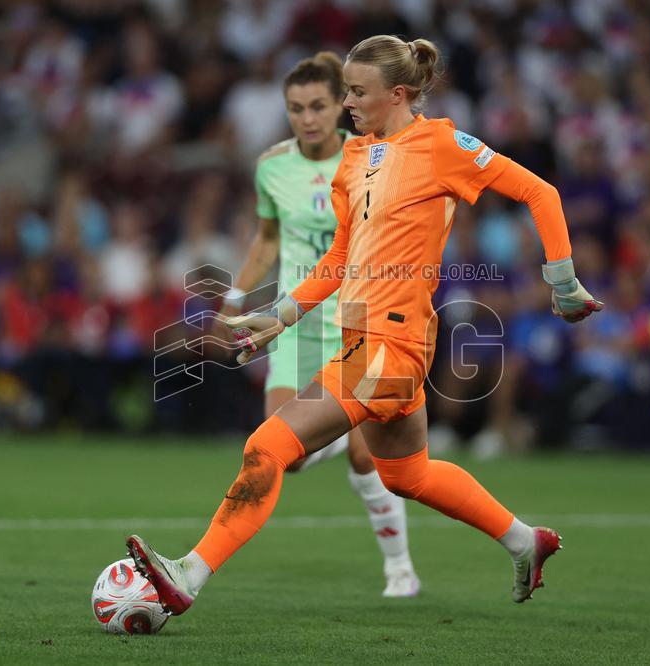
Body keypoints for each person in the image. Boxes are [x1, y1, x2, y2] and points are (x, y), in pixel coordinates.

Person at [127, 35, 602, 617]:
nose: (346, 102)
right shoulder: (355, 158)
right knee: (408, 476)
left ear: (397, 94)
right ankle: (526, 540)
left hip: (394, 341)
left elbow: (539, 190)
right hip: (364, 338)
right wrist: (280, 316)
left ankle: (188, 574)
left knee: (267, 443)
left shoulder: (440, 143)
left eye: (356, 92)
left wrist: (562, 281)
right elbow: (339, 259)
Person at [216, 51, 420, 597]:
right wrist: (233, 300)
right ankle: (335, 433)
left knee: (366, 455)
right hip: (295, 323)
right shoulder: (272, 166)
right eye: (295, 108)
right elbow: (267, 239)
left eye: (318, 106)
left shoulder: (370, 158)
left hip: (359, 318)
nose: (307, 118)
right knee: (286, 454)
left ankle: (400, 569)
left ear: (340, 105)